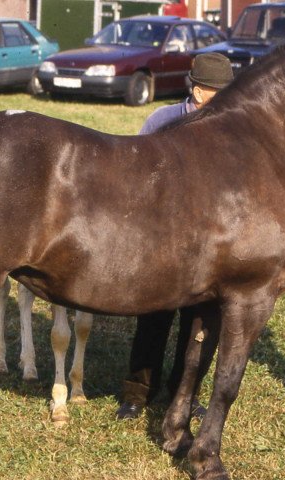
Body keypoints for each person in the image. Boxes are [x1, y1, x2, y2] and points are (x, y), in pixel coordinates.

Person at [116, 52, 234, 420]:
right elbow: (134, 172)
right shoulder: (164, 120)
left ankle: (185, 394)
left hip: (209, 243)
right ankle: (137, 394)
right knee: (153, 319)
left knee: (199, 324)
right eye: (216, 93)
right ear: (197, 91)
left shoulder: (231, 129)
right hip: (163, 240)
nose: (223, 100)